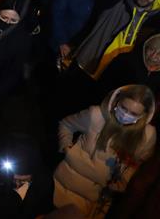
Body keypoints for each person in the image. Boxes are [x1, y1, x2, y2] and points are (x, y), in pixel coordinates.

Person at [54, 85, 156, 218]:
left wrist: (123, 182)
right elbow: (66, 124)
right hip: (61, 182)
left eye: (134, 114)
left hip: (93, 198)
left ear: (144, 115)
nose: (125, 115)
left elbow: (138, 164)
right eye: (123, 108)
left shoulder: (146, 136)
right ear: (117, 101)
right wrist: (66, 147)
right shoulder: (96, 115)